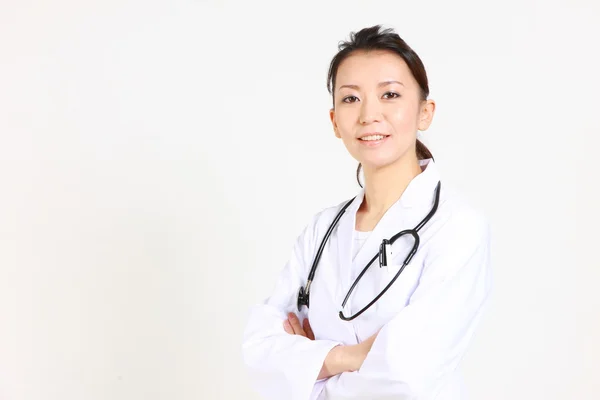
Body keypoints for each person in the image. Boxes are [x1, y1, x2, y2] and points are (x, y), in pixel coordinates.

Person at [242, 25, 492, 400]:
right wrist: (350, 357)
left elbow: (408, 374)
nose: (369, 114)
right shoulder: (322, 229)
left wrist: (312, 366)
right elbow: (260, 351)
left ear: (425, 112)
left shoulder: (456, 227)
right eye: (351, 99)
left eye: (389, 94)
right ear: (334, 122)